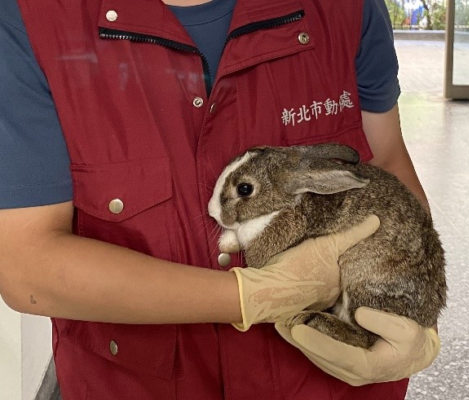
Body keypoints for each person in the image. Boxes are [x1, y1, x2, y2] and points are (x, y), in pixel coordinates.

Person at [0, 0, 440, 398]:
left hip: (333, 384)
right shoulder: (31, 20)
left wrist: (418, 310)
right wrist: (252, 296)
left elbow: (387, 162)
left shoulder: (349, 9)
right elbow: (25, 266)